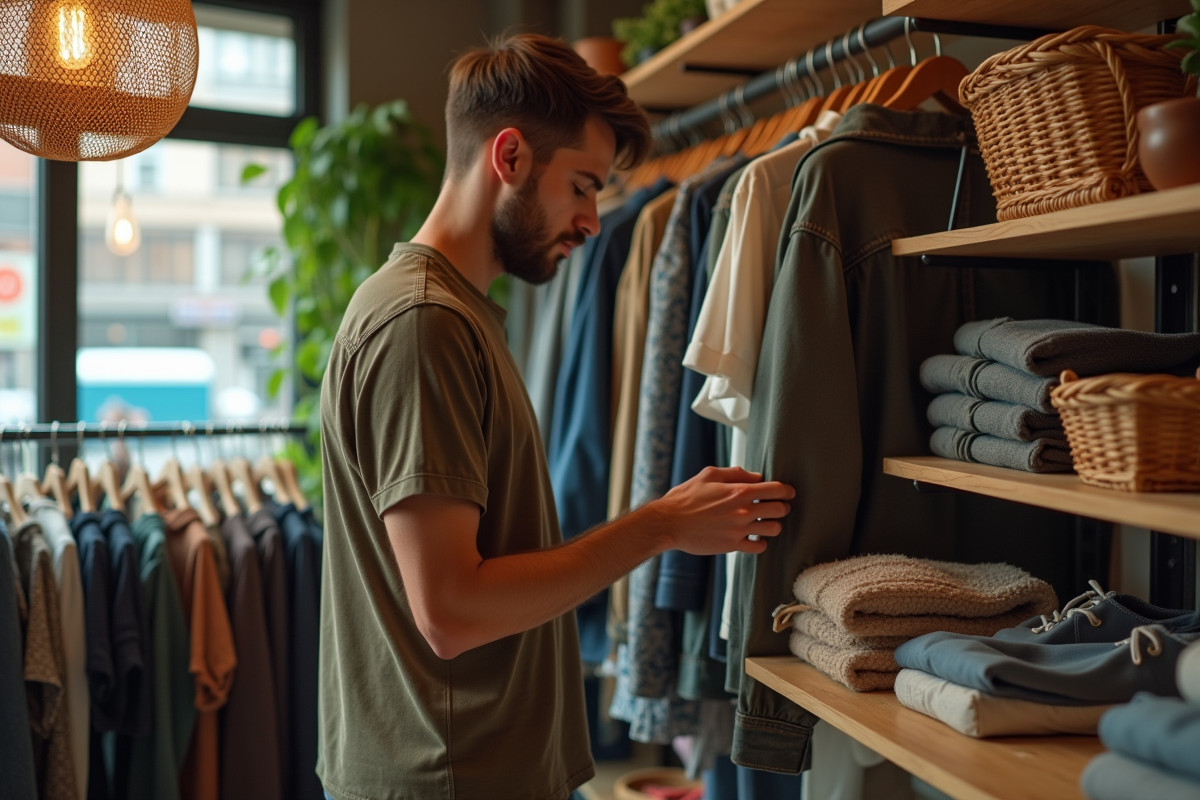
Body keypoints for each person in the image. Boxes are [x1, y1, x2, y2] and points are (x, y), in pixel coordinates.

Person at [317, 33, 794, 800]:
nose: (593, 220)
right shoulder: (422, 323)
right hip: (448, 777)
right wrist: (662, 524)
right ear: (509, 158)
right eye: (580, 186)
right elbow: (451, 609)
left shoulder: (454, 314)